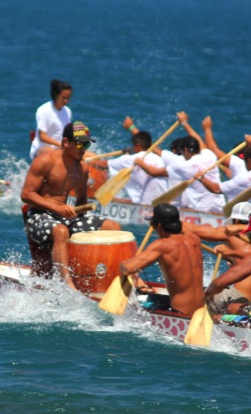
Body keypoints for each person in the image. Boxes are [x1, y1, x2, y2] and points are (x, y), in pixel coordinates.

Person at [21, 122, 121, 288]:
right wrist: (57, 208)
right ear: (66, 142)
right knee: (61, 231)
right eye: (80, 144)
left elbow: (81, 203)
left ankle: (111, 278)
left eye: (86, 144)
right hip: (38, 217)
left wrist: (80, 214)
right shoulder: (45, 161)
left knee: (112, 226)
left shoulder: (81, 169)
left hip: (63, 218)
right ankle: (68, 285)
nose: (83, 149)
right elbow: (26, 195)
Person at [118, 203, 205, 315]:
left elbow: (128, 268)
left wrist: (120, 262)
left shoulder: (162, 245)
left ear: (158, 225)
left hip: (180, 312)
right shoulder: (194, 240)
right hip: (201, 310)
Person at [99, 124, 167, 204]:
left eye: (133, 146)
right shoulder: (161, 159)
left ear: (138, 145)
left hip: (145, 207)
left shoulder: (131, 159)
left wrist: (86, 160)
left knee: (114, 199)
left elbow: (103, 165)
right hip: (164, 202)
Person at [29, 79, 73, 159]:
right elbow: (42, 136)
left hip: (60, 148)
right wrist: (61, 145)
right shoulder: (44, 110)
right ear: (56, 95)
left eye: (68, 98)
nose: (66, 101)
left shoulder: (67, 111)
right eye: (63, 98)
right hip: (42, 148)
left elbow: (68, 133)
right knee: (57, 156)